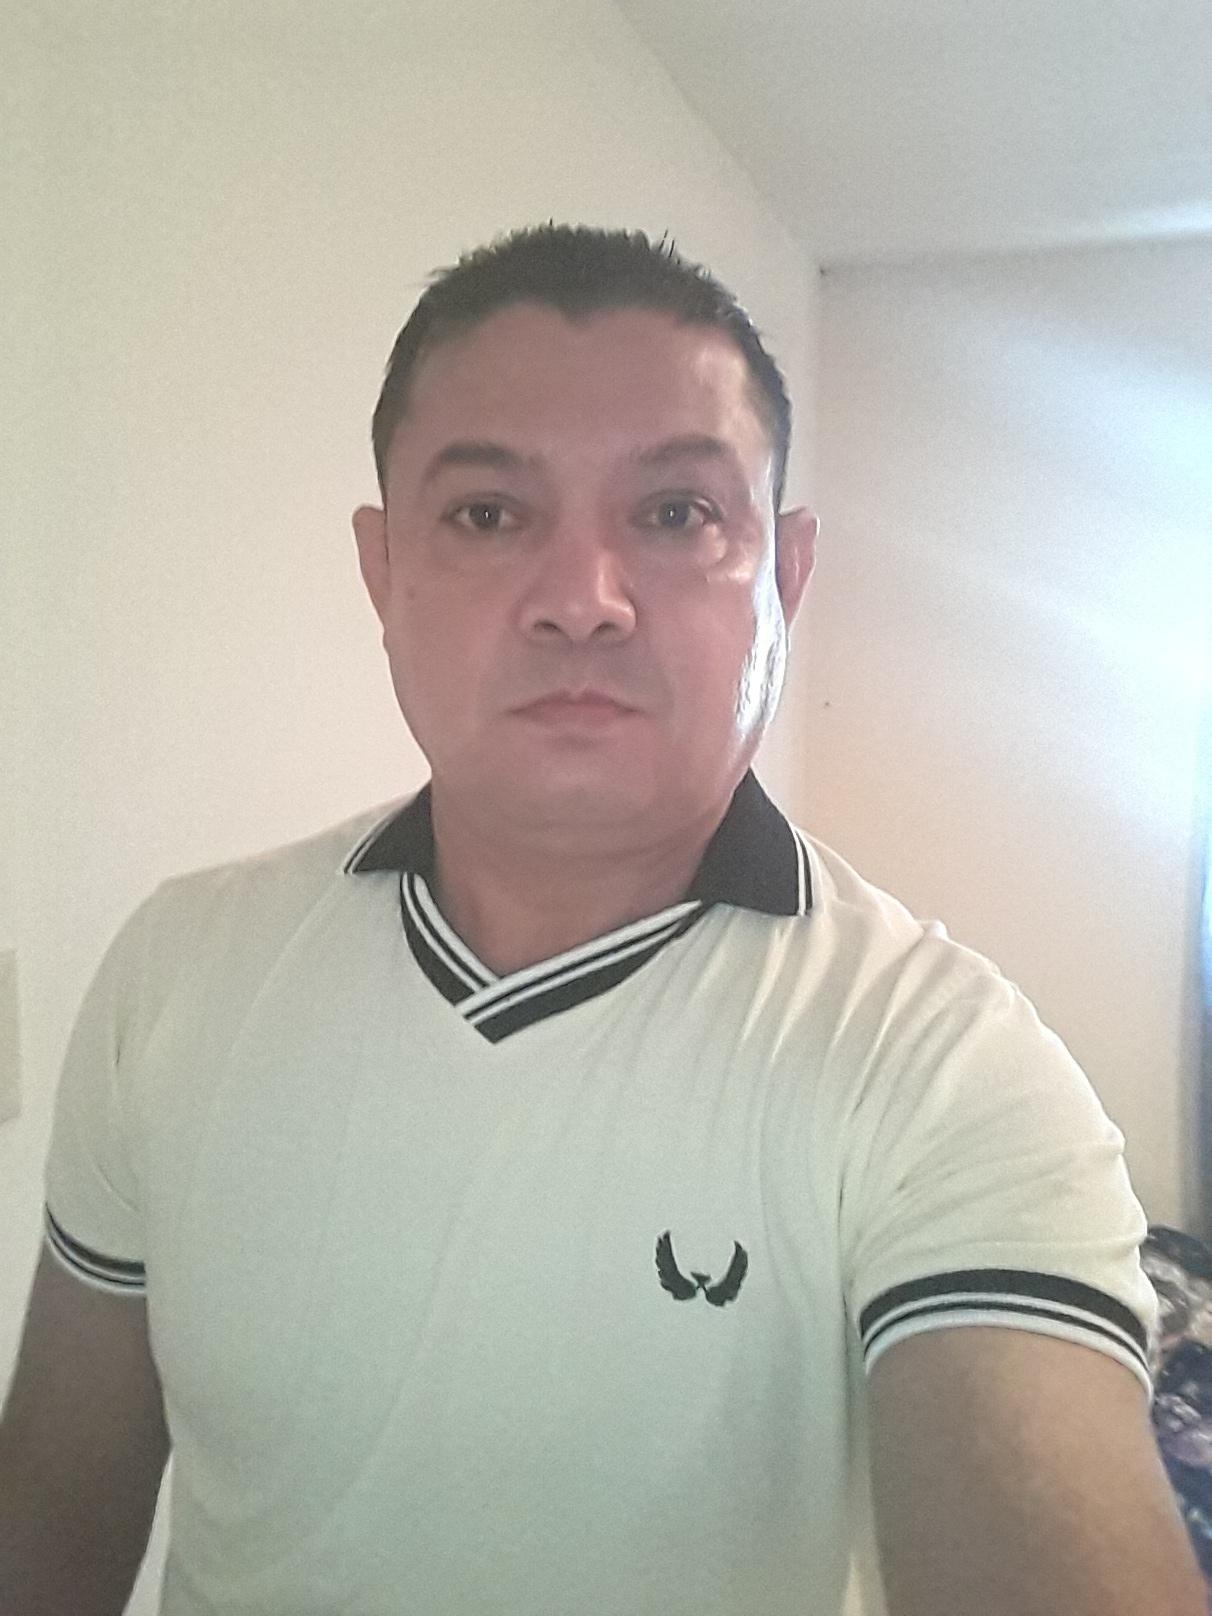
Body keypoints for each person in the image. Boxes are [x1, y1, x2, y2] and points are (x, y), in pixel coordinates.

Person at [0, 224, 1202, 1616]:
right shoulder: (177, 972)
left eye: (678, 513)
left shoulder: (941, 1066)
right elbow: (52, 1511)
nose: (583, 601)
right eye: (487, 515)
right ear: (383, 572)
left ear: (786, 576)